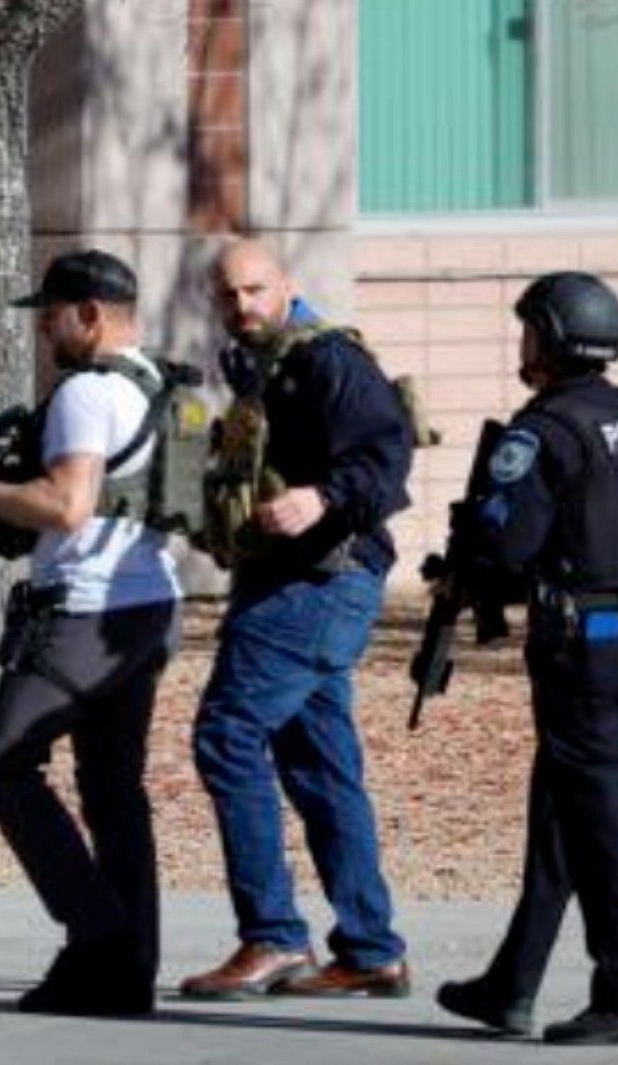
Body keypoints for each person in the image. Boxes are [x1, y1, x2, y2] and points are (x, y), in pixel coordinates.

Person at [0, 249, 182, 1016]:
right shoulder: (157, 384)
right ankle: (126, 972)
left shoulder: (87, 393)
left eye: (53, 316)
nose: (45, 333)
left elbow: (67, 505)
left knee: (2, 763)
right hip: (148, 607)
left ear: (91, 315)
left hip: (86, 610)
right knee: (112, 788)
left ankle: (101, 938)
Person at [433, 272, 618, 1045]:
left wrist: (468, 558)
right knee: (565, 813)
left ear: (553, 336)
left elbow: (509, 545)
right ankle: (512, 985)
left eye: (529, 329)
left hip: (584, 652)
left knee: (597, 820)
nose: (523, 343)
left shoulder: (540, 431)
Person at [178, 238, 413, 1000]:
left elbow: (385, 455)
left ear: (285, 285)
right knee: (319, 765)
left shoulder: (329, 360)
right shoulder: (257, 361)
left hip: (317, 582)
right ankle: (371, 950)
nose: (242, 307)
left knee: (227, 734)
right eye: (228, 296)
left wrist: (322, 497)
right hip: (289, 580)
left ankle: (273, 938)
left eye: (255, 291)